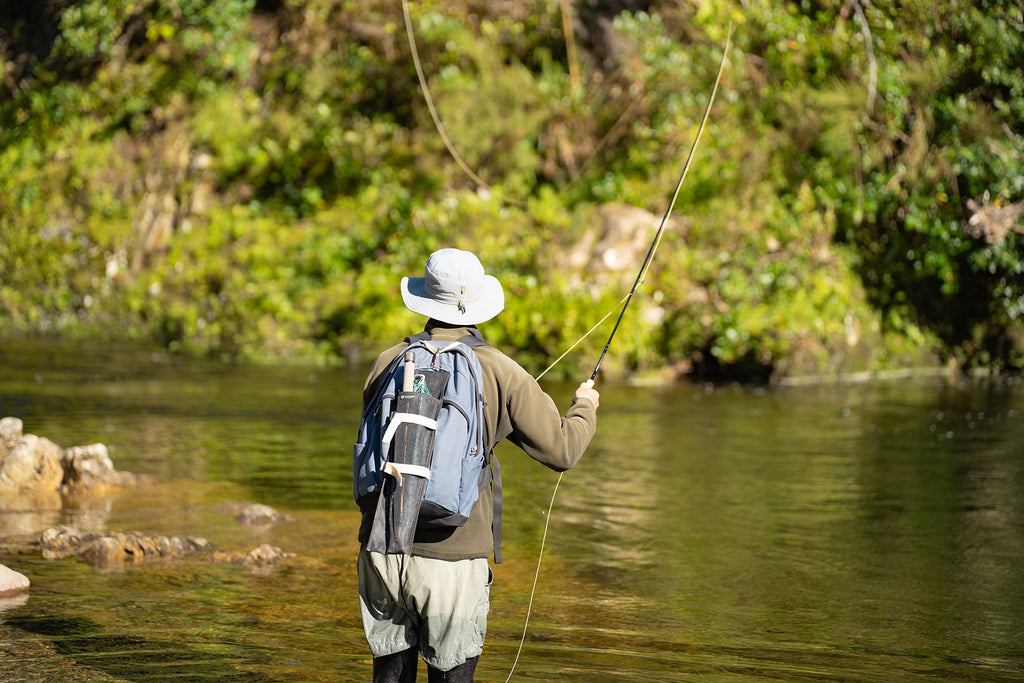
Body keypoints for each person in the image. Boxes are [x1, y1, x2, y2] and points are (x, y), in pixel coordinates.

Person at [356, 247, 600, 683]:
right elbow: (562, 450)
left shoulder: (387, 361)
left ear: (425, 299)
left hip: (381, 550)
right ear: (479, 304)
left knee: (388, 677)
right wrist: (585, 407)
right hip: (453, 556)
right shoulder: (502, 370)